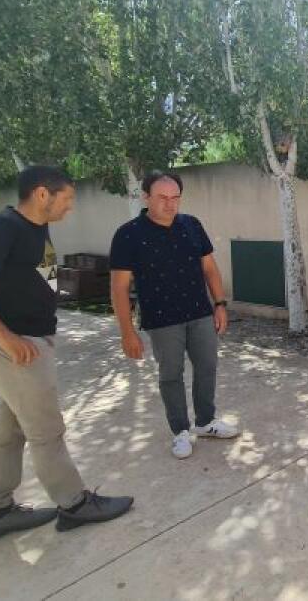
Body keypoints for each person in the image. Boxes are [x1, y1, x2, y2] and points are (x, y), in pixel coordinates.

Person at [0, 166, 133, 546]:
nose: (71, 207)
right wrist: (5, 336)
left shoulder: (34, 228)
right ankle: (74, 504)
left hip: (28, 342)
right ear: (43, 194)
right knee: (47, 431)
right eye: (68, 198)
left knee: (11, 431)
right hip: (12, 348)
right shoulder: (3, 227)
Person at [109, 171, 237, 459]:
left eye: (175, 197)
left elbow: (209, 268)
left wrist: (219, 304)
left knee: (207, 366)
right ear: (146, 197)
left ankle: (205, 422)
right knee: (171, 375)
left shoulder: (191, 225)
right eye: (162, 198)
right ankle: (180, 431)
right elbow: (118, 287)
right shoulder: (128, 234)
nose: (170, 204)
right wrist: (126, 332)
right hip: (162, 318)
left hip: (199, 312)